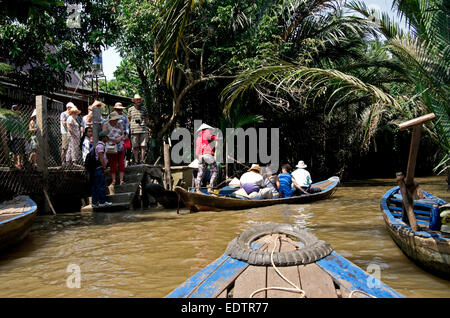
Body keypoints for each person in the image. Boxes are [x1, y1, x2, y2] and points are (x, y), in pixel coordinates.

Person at [103, 111, 126, 186]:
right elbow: (104, 136)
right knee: (112, 163)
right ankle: (113, 180)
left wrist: (120, 138)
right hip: (111, 146)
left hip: (120, 145)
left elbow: (123, 134)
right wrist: (113, 139)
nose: (116, 120)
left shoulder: (119, 124)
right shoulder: (106, 125)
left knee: (121, 162)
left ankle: (121, 180)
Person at [195, 123, 218, 194]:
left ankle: (197, 190)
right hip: (207, 155)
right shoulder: (206, 132)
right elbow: (211, 137)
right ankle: (210, 188)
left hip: (200, 156)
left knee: (200, 173)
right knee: (215, 171)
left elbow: (197, 151)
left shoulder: (198, 138)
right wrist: (217, 138)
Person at [92, 131, 112, 208]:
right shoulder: (100, 146)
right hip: (99, 169)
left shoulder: (99, 145)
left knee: (96, 186)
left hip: (97, 169)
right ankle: (102, 201)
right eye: (107, 137)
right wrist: (105, 168)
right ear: (103, 138)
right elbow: (101, 159)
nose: (108, 138)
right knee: (101, 185)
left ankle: (95, 202)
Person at [128, 94, 149, 164]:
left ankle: (142, 160)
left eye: (139, 99)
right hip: (134, 130)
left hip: (143, 130)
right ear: (134, 101)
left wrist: (144, 125)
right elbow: (129, 120)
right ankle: (136, 161)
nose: (138, 101)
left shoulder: (144, 108)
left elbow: (147, 119)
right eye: (137, 99)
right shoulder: (130, 109)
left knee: (143, 146)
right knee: (135, 146)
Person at [9, 104, 25, 169]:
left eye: (16, 109)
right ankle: (15, 164)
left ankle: (19, 164)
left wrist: (24, 136)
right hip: (15, 137)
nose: (15, 110)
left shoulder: (20, 118)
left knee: (21, 151)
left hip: (21, 136)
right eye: (14, 109)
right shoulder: (11, 118)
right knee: (15, 151)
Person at [60, 102, 75, 166]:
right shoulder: (63, 114)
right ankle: (63, 162)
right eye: (71, 107)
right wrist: (69, 123)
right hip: (65, 132)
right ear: (68, 107)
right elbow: (63, 123)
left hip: (71, 132)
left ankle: (69, 162)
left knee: (71, 147)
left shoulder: (72, 114)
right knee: (64, 148)